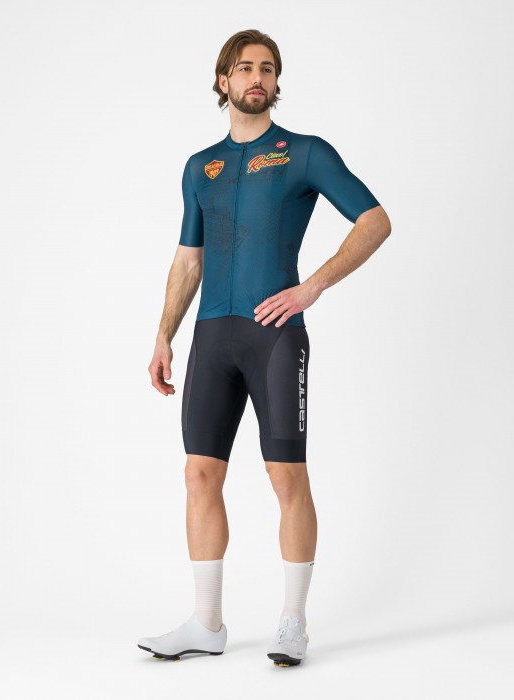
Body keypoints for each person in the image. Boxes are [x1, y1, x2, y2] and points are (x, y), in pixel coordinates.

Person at [138, 28, 391, 666]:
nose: (258, 78)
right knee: (199, 474)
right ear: (223, 81)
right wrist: (164, 333)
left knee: (286, 477)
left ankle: (292, 622)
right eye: (246, 67)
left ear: (277, 82)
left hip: (274, 336)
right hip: (211, 338)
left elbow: (375, 220)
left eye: (268, 69)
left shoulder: (303, 153)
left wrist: (313, 286)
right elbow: (188, 259)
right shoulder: (200, 166)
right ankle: (206, 624)